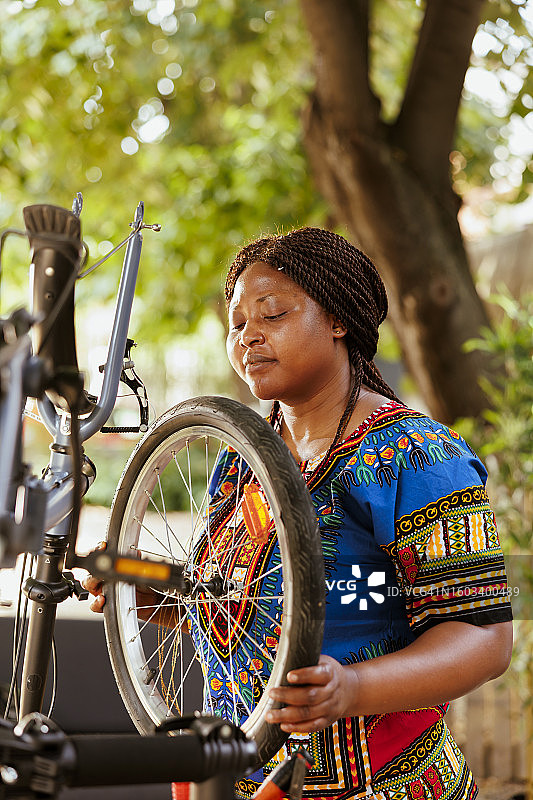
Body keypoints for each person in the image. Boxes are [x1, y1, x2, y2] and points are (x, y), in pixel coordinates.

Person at [85, 227, 513, 800]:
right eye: (237, 324)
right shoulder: (242, 460)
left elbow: (484, 639)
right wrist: (147, 596)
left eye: (273, 314)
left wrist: (351, 689)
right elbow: (239, 610)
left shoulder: (421, 458)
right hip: (244, 780)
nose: (249, 338)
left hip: (387, 784)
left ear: (338, 320)